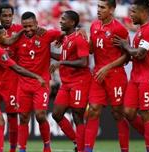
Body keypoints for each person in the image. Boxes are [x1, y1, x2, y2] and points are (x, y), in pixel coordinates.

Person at [113, 0, 149, 151]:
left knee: (146, 114)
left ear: (143, 13)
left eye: (133, 12)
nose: (130, 15)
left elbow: (140, 54)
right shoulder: (141, 30)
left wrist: (125, 45)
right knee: (128, 112)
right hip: (136, 77)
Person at [11, 12, 63, 152]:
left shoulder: (46, 34)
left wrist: (78, 30)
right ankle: (22, 148)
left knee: (40, 115)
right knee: (23, 117)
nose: (28, 29)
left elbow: (66, 33)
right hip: (23, 83)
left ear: (36, 24)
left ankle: (47, 146)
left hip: (41, 83)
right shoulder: (17, 38)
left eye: (30, 26)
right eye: (25, 26)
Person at [84, 0, 130, 152]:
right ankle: (88, 149)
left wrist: (108, 67)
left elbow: (127, 56)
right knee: (93, 110)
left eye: (102, 7)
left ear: (111, 10)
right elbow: (90, 49)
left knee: (118, 113)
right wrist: (84, 38)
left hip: (115, 75)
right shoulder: (94, 25)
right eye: (98, 7)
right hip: (98, 74)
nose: (98, 10)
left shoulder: (120, 29)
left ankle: (125, 149)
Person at [50, 10, 91, 152]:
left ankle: (81, 148)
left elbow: (84, 62)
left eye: (63, 19)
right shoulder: (66, 38)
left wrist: (62, 63)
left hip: (80, 81)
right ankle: (77, 141)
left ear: (72, 22)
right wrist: (44, 50)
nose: (60, 21)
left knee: (77, 115)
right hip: (66, 83)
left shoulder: (79, 38)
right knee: (56, 114)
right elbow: (62, 57)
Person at [0, 4, 22, 152]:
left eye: (9, 15)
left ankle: (12, 149)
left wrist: (77, 30)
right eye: (4, 16)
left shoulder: (20, 29)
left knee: (12, 115)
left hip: (12, 80)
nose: (7, 18)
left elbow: (41, 32)